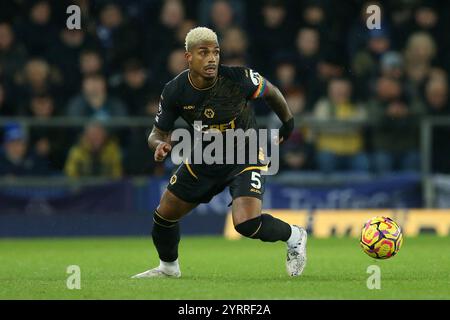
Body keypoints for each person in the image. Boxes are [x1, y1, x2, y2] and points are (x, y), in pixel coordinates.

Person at [132, 27, 307, 279]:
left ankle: (295, 235)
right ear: (188, 57)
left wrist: (288, 122)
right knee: (164, 215)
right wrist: (158, 146)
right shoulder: (175, 90)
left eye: (216, 52)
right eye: (204, 52)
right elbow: (156, 133)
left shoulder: (238, 78)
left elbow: (272, 91)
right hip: (206, 157)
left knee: (246, 223)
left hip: (244, 155)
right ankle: (168, 269)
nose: (212, 58)